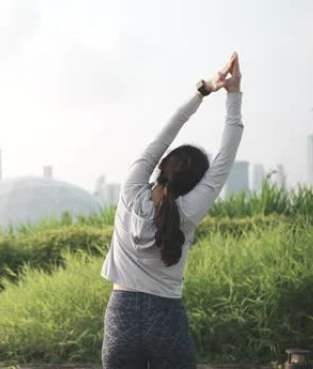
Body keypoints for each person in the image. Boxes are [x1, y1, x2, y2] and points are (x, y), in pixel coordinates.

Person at [101, 52, 244, 369]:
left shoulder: (130, 188)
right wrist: (234, 96)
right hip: (166, 316)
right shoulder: (190, 209)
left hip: (120, 314)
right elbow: (227, 155)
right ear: (195, 182)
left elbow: (167, 131)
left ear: (162, 163)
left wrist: (205, 89)